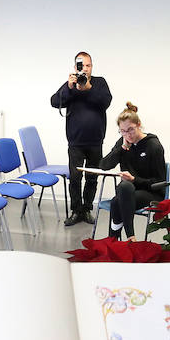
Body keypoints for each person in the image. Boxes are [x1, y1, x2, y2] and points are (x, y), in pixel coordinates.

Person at [50, 51, 112, 226]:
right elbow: (54, 102)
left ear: (92, 66)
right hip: (76, 142)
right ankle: (76, 211)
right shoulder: (71, 84)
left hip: (95, 141)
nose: (85, 68)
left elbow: (105, 101)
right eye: (81, 65)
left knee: (92, 178)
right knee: (75, 178)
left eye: (88, 65)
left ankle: (87, 210)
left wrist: (88, 89)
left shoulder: (99, 83)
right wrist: (69, 88)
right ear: (75, 67)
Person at [98, 103, 166, 239]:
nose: (127, 135)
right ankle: (126, 239)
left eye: (130, 130)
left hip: (151, 192)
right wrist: (121, 148)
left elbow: (160, 182)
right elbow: (104, 165)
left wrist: (135, 180)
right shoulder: (123, 142)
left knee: (117, 200)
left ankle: (116, 239)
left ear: (138, 125)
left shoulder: (153, 145)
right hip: (128, 190)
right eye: (122, 131)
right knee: (124, 188)